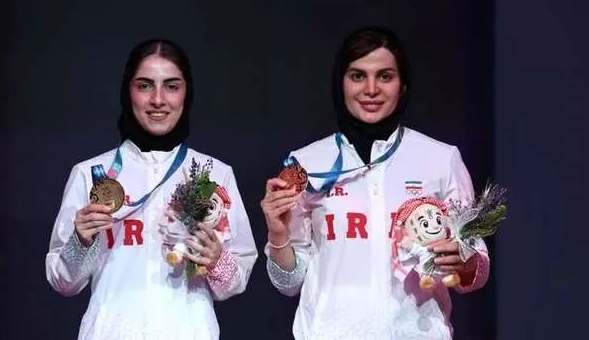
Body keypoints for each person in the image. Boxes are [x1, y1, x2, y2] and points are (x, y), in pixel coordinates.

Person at [260, 26, 489, 339]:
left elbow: (476, 270)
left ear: (402, 85)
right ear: (340, 83)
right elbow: (288, 283)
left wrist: (462, 261)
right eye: (357, 76)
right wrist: (278, 234)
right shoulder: (305, 165)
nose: (371, 89)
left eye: (385, 76)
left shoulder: (441, 159)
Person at [45, 38, 258, 339]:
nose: (158, 99)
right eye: (145, 85)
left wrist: (216, 260)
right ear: (127, 91)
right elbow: (63, 283)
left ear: (186, 93)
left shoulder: (214, 174)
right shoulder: (91, 174)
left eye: (172, 86)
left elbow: (235, 283)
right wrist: (80, 240)